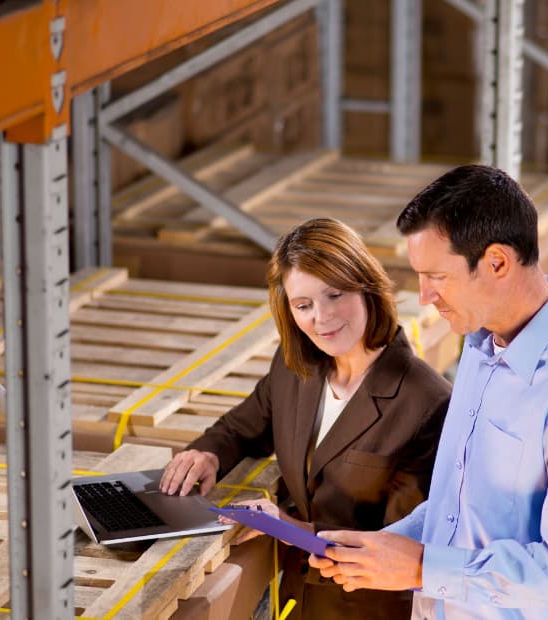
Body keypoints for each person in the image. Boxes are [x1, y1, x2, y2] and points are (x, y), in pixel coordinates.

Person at [309, 164, 548, 619]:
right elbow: (463, 510)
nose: (425, 296)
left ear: (497, 263)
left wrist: (422, 567)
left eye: (438, 277)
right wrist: (389, 545)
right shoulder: (481, 348)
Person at [158, 218, 451, 619]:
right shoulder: (297, 366)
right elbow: (244, 427)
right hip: (296, 599)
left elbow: (395, 548)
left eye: (335, 295)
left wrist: (287, 526)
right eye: (304, 305)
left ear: (366, 287)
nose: (322, 317)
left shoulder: (426, 402)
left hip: (367, 609)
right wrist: (208, 454)